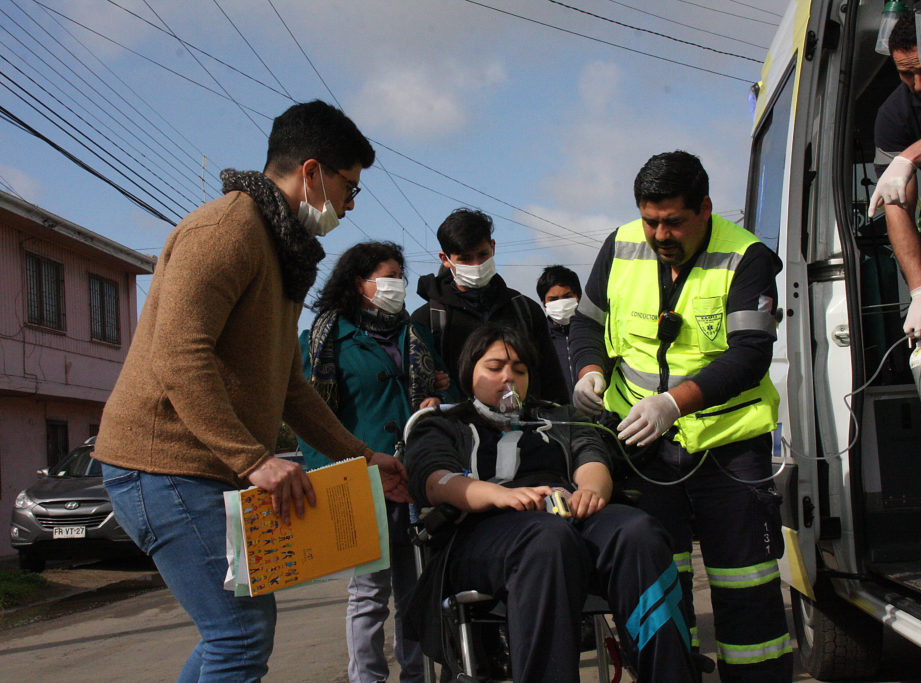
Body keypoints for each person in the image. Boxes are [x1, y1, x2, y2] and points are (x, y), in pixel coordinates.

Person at [93, 100, 410, 682]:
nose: (350, 205)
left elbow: (290, 386)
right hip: (161, 466)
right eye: (349, 187)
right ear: (311, 172)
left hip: (204, 469)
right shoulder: (225, 231)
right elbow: (179, 355)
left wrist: (363, 457)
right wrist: (255, 460)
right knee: (239, 634)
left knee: (231, 636)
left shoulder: (284, 251)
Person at [569, 151, 792, 681]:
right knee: (659, 588)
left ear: (705, 209)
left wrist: (673, 403)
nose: (660, 235)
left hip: (728, 449)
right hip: (641, 449)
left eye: (673, 222)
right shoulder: (620, 245)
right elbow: (586, 324)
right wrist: (589, 371)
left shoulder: (747, 257)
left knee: (746, 585)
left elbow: (750, 354)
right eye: (650, 221)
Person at [403, 323, 695, 683]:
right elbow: (434, 480)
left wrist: (591, 491)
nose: (508, 378)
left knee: (637, 532)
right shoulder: (442, 423)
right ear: (468, 371)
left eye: (520, 370)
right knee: (547, 539)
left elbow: (592, 458)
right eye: (494, 367)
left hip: (567, 515)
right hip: (483, 534)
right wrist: (500, 495)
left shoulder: (560, 417)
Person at [298, 240, 457, 683]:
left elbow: (447, 393)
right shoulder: (324, 339)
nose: (396, 286)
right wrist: (337, 476)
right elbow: (309, 419)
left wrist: (441, 390)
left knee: (415, 590)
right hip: (362, 481)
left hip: (417, 479)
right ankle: (367, 678)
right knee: (368, 595)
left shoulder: (415, 334)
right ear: (358, 283)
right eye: (387, 278)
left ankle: (417, 675)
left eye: (399, 277)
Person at [411, 208, 568, 403]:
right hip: (456, 420)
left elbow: (552, 383)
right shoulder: (427, 320)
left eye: (482, 254)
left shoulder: (525, 310)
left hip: (525, 420)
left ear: (493, 247)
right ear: (445, 259)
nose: (476, 265)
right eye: (465, 259)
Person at [869, 10, 921, 339]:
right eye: (907, 74)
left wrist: (910, 156)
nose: (919, 84)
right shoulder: (893, 116)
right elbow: (895, 202)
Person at [536, 265, 582, 395]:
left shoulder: (593, 332)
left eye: (567, 297)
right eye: (553, 299)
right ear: (544, 303)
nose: (561, 304)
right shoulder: (538, 338)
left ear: (578, 297)